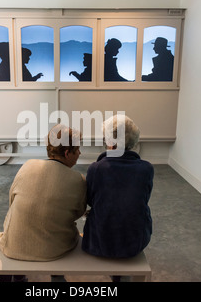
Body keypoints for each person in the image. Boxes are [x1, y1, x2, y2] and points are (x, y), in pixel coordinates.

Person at [0, 124, 87, 282]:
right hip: (54, 251)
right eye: (77, 149)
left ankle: (18, 277)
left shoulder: (27, 166)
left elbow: (11, 200)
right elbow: (78, 213)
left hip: (12, 247)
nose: (80, 153)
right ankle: (57, 276)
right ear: (67, 153)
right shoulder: (78, 180)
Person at [81, 115, 154, 282]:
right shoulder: (147, 169)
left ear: (111, 143)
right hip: (136, 241)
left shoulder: (96, 169)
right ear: (133, 141)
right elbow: (142, 200)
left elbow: (91, 201)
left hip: (99, 242)